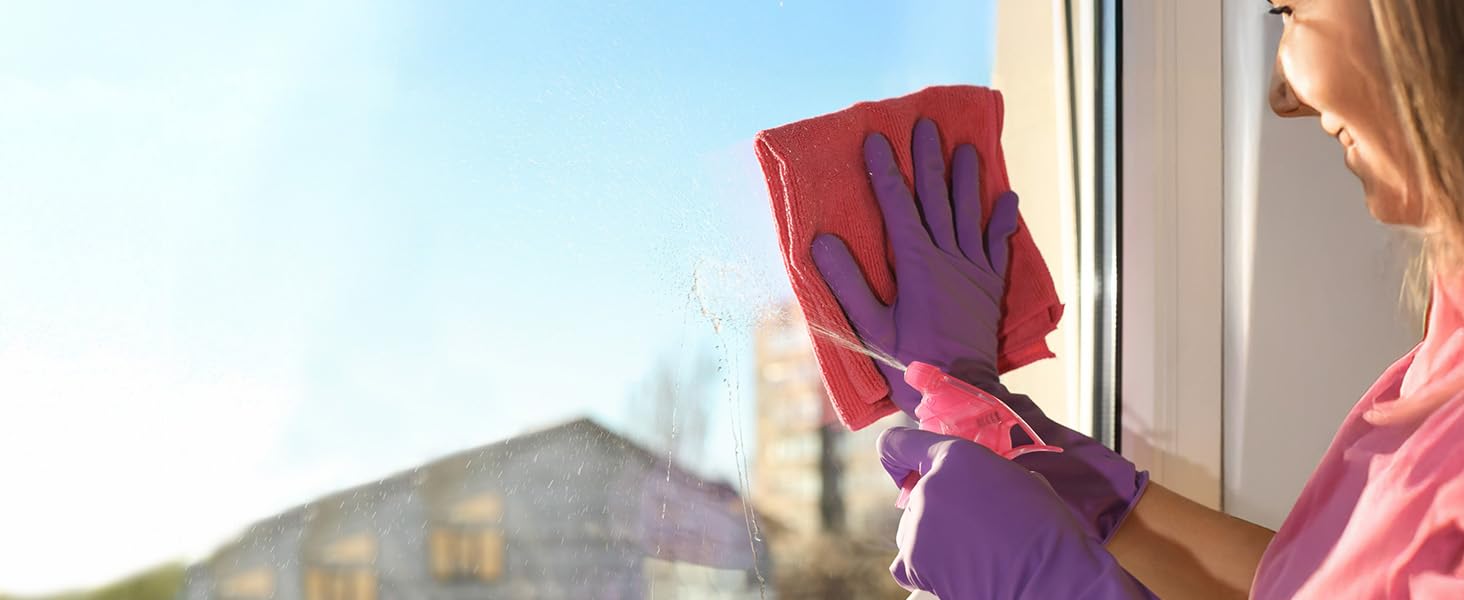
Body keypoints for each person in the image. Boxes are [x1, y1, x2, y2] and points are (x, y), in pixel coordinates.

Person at [811, 1, 1464, 597]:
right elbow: (1320, 582)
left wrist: (1047, 583)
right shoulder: (1445, 349)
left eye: (1290, 10)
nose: (1281, 94)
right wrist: (998, 419)